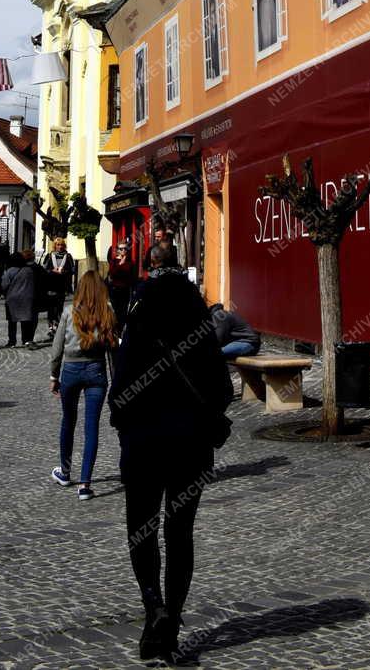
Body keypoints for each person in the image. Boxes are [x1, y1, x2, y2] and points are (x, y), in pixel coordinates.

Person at [109, 245, 233, 663]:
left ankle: (154, 610)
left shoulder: (140, 312)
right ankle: (173, 620)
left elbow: (121, 380)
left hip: (144, 441)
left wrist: (124, 420)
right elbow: (221, 388)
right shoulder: (198, 315)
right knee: (180, 533)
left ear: (151, 266)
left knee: (141, 530)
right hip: (191, 442)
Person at [49, 271, 117, 500]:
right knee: (91, 428)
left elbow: (57, 348)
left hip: (71, 370)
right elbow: (113, 350)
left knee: (68, 421)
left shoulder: (69, 311)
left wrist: (53, 375)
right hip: (96, 370)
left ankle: (65, 471)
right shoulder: (107, 311)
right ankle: (85, 484)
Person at [41, 237, 76, 337]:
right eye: (58, 245)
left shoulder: (68, 256)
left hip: (62, 285)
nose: (60, 247)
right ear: (55, 246)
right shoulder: (49, 255)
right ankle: (51, 327)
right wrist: (52, 271)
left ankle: (57, 326)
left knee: (59, 307)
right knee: (51, 307)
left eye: (61, 245)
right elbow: (44, 269)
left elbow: (73, 270)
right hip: (51, 285)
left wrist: (64, 271)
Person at [4, 249, 39, 347]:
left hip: (12, 298)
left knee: (12, 321)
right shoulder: (29, 270)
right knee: (25, 320)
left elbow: (4, 285)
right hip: (26, 298)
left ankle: (12, 341)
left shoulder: (9, 271)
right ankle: (26, 340)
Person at [107, 241, 136, 324]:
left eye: (125, 249)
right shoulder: (114, 261)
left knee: (124, 311)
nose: (123, 250)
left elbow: (132, 277)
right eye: (121, 249)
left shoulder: (130, 262)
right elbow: (112, 274)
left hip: (126, 290)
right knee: (116, 310)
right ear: (117, 250)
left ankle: (121, 330)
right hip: (115, 290)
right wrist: (120, 264)